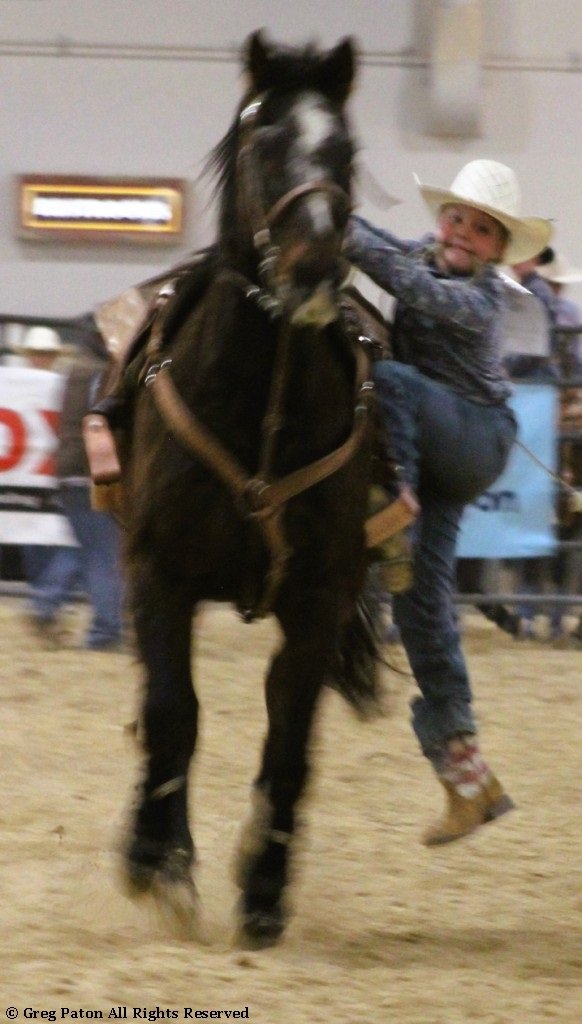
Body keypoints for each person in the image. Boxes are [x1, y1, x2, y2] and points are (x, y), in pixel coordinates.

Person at [345, 158, 553, 845]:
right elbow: (384, 245)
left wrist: (332, 226)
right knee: (423, 604)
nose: (463, 233)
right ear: (442, 221)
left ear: (498, 248)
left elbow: (401, 279)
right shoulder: (427, 257)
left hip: (472, 439)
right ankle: (467, 779)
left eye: (481, 228)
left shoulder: (483, 300)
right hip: (448, 449)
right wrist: (340, 214)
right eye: (456, 219)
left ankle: (394, 502)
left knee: (392, 378)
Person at [54, 321, 126, 651]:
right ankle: (104, 631)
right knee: (105, 556)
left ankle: (45, 603)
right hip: (93, 469)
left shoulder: (76, 369)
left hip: (69, 470)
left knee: (89, 549)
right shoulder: (102, 373)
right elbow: (100, 420)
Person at [16, 325, 83, 645]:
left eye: (45, 354)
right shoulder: (63, 385)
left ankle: (45, 605)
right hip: (42, 474)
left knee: (62, 543)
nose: (41, 359)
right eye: (38, 354)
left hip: (37, 474)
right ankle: (47, 605)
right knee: (50, 545)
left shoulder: (23, 386)